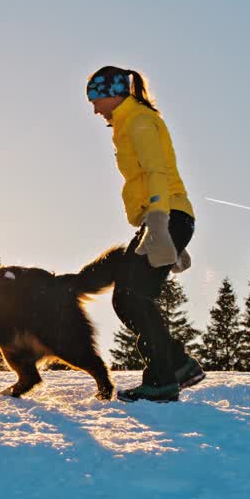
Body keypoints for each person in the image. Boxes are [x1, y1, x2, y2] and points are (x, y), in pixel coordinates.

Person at [86, 66, 204, 402]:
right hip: (166, 216)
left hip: (167, 214)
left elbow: (156, 171)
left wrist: (159, 222)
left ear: (112, 94)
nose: (95, 109)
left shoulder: (138, 122)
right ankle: (178, 365)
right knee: (128, 296)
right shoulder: (128, 124)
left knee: (133, 296)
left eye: (96, 99)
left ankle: (163, 380)